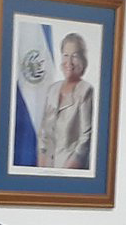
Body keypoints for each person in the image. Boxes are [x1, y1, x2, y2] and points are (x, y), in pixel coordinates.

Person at [37, 32, 94, 169]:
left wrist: (64, 173)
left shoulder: (86, 91)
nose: (69, 62)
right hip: (47, 167)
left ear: (83, 59)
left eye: (75, 56)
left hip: (70, 169)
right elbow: (44, 134)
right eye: (66, 55)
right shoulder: (52, 89)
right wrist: (42, 169)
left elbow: (86, 139)